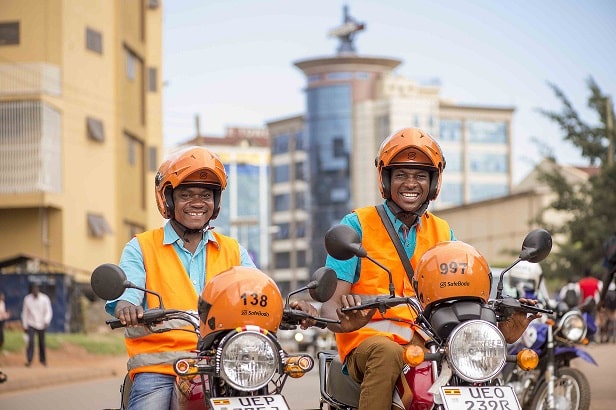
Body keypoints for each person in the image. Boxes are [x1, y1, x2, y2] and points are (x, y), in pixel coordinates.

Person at [321, 128, 542, 409]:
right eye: (401, 174)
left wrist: (502, 326)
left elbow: (465, 301)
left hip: (431, 346)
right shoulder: (356, 226)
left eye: (420, 175)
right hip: (369, 345)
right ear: (386, 179)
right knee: (387, 352)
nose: (410, 183)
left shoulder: (443, 231)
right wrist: (345, 317)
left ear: (433, 182)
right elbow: (329, 309)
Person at [105, 146, 315, 409]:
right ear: (167, 199)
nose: (197, 202)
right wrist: (127, 307)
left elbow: (259, 292)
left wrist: (290, 310)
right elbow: (126, 293)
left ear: (215, 202)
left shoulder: (233, 250)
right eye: (186, 194)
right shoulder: (141, 247)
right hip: (161, 368)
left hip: (229, 364)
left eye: (205, 194)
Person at [21, 283, 53, 367]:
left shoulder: (44, 299)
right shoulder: (27, 299)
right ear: (31, 291)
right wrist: (24, 325)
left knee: (41, 343)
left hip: (42, 323)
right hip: (31, 323)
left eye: (36, 290)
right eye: (33, 290)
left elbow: (48, 311)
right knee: (30, 342)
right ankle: (29, 360)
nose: (34, 292)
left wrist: (46, 320)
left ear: (38, 290)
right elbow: (25, 313)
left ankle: (43, 360)